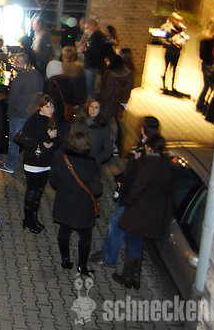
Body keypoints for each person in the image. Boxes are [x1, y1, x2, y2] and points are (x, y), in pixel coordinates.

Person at [90, 116, 160, 268]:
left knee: (116, 226)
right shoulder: (146, 145)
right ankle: (111, 254)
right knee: (121, 227)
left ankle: (108, 258)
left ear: (143, 129)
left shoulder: (148, 150)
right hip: (132, 192)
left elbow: (141, 175)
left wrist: (127, 179)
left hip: (131, 195)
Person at [113, 134, 174, 290]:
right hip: (155, 211)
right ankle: (135, 275)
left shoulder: (148, 168)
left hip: (140, 211)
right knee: (138, 242)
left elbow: (136, 190)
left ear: (149, 147)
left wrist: (126, 201)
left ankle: (129, 276)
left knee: (133, 241)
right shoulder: (167, 166)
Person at [50, 130, 102, 276]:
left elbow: (54, 182)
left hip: (65, 202)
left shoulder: (60, 157)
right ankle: (82, 266)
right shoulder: (92, 163)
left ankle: (65, 260)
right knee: (85, 236)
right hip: (83, 206)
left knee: (64, 231)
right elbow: (97, 190)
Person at [16, 95, 60, 234]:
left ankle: (34, 217)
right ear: (41, 107)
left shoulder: (52, 120)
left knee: (39, 192)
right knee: (32, 191)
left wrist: (52, 143)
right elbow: (29, 140)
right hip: (34, 162)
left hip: (46, 162)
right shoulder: (34, 120)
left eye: (52, 106)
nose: (50, 109)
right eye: (47, 106)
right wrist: (48, 138)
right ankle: (28, 219)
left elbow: (58, 139)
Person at [0, 53, 43, 174]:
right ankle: (30, 163)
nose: (15, 64)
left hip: (19, 114)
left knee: (15, 140)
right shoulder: (38, 74)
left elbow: (13, 98)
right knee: (29, 138)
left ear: (24, 63)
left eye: (17, 62)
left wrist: (9, 113)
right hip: (33, 112)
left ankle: (10, 165)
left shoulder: (20, 78)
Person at [71, 98, 114, 166]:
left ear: (100, 110)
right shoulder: (79, 122)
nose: (93, 109)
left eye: (96, 107)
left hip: (92, 162)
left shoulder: (104, 127)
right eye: (91, 106)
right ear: (88, 108)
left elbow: (108, 150)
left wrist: (96, 160)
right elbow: (70, 141)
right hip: (76, 159)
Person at [160, 11, 188, 93]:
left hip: (177, 51)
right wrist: (171, 42)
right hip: (169, 51)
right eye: (176, 20)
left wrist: (182, 40)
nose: (178, 22)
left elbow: (182, 37)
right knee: (166, 68)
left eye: (179, 20)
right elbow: (161, 39)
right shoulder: (165, 27)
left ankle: (172, 86)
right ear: (172, 19)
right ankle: (164, 85)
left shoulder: (180, 28)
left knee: (174, 69)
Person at [80, 19, 108, 98]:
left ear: (92, 27)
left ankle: (90, 102)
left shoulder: (96, 37)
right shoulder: (97, 36)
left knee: (90, 87)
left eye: (87, 28)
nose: (86, 30)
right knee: (92, 87)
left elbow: (92, 51)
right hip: (96, 64)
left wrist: (84, 50)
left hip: (92, 65)